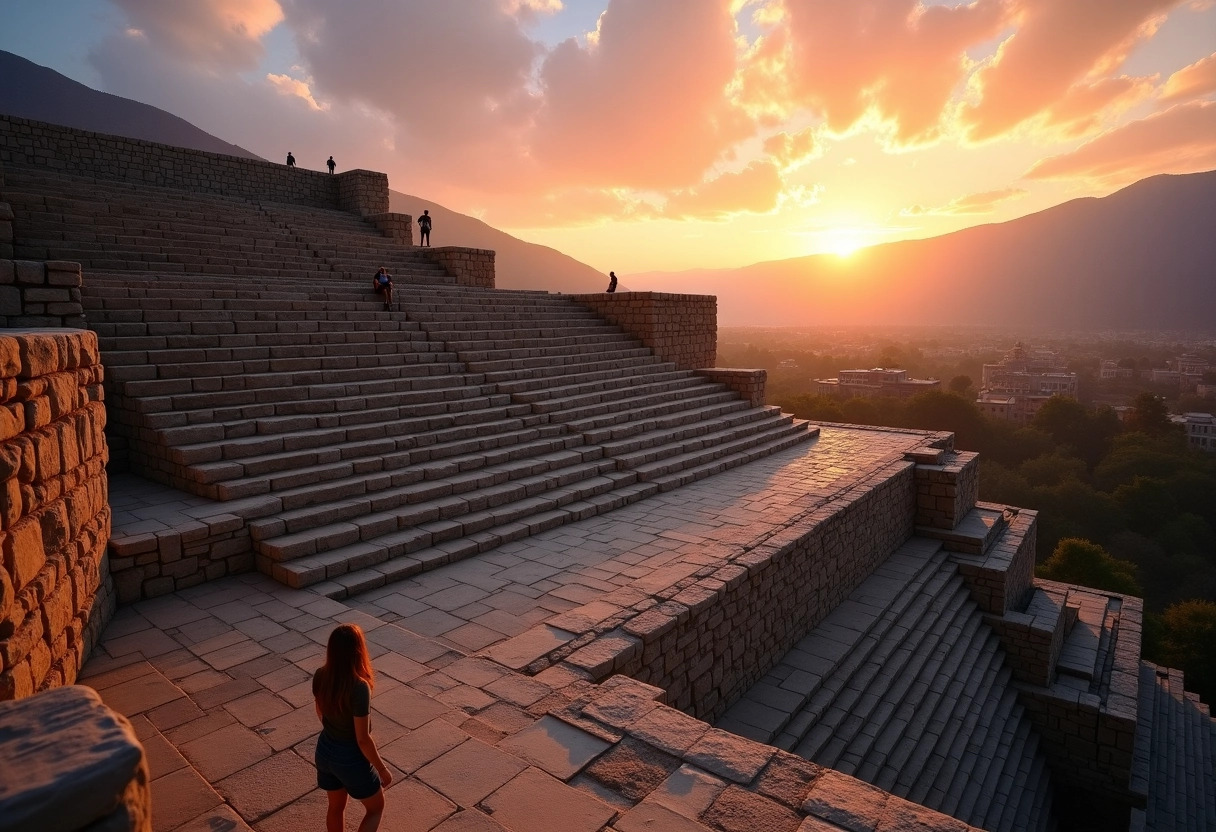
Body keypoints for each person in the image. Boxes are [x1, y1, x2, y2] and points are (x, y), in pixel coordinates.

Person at [313, 623, 392, 832]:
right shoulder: (359, 687)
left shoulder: (320, 675)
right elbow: (362, 738)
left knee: (335, 807)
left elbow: (320, 713)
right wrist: (382, 769)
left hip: (324, 750)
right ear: (358, 651)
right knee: (376, 807)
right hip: (350, 757)